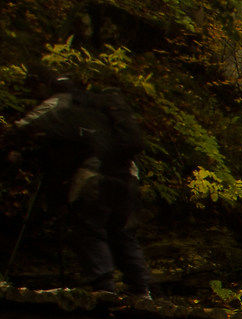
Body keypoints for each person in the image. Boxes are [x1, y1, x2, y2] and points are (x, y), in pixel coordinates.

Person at [5, 66, 152, 296]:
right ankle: (141, 289)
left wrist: (13, 144)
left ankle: (104, 288)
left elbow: (23, 127)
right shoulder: (99, 107)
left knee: (89, 228)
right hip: (130, 175)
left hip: (96, 175)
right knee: (122, 233)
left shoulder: (61, 103)